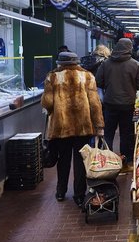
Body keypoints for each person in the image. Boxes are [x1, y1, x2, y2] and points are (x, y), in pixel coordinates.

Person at [41, 52, 104, 206]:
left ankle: (61, 192)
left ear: (59, 63)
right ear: (77, 61)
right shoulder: (87, 76)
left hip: (61, 126)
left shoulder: (52, 77)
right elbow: (95, 103)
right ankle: (79, 195)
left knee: (63, 160)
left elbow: (47, 103)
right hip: (83, 126)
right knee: (81, 160)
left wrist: (52, 108)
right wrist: (99, 125)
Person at [96, 38, 139, 169]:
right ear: (129, 49)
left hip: (110, 104)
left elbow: (98, 82)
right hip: (127, 105)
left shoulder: (106, 64)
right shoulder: (136, 65)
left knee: (108, 133)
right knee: (126, 134)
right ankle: (126, 162)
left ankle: (106, 162)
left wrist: (110, 86)